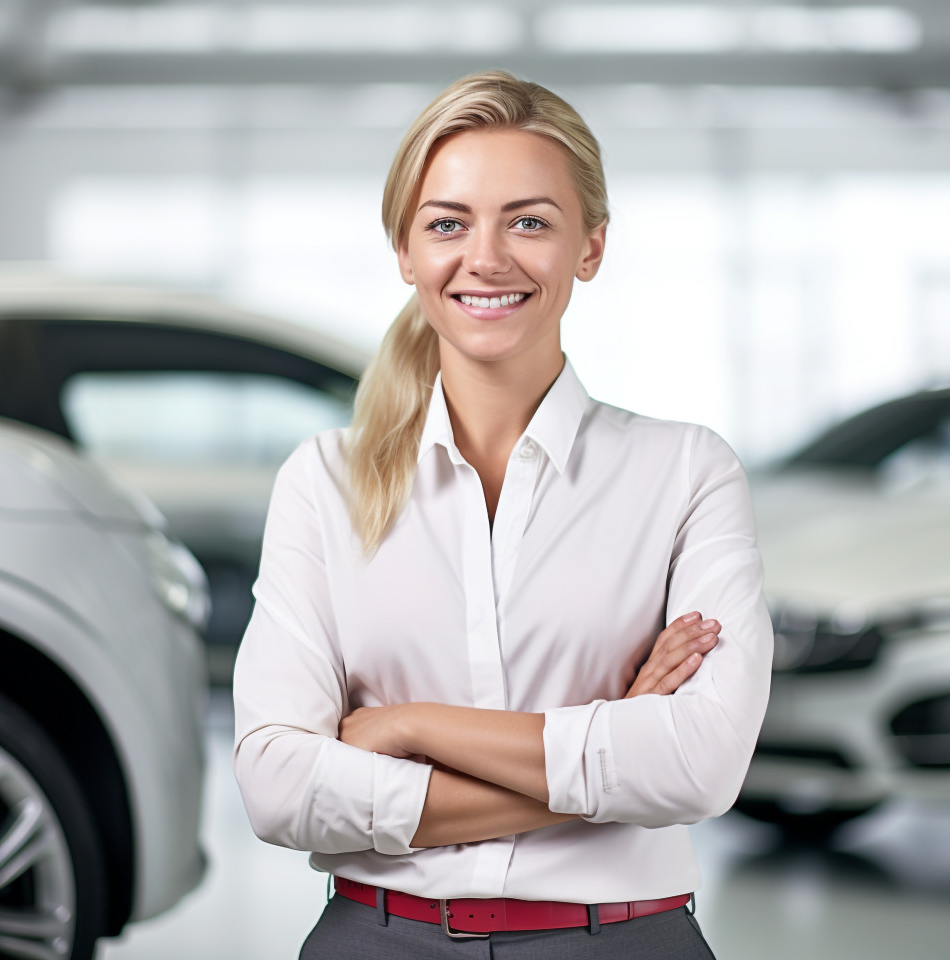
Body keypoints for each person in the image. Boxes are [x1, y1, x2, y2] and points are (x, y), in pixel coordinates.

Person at [233, 70, 773, 959]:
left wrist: (410, 727)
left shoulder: (685, 471)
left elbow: (702, 763)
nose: (486, 257)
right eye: (448, 223)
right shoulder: (322, 481)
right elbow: (276, 786)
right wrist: (609, 741)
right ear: (406, 253)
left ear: (590, 247)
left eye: (529, 221)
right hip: (375, 940)